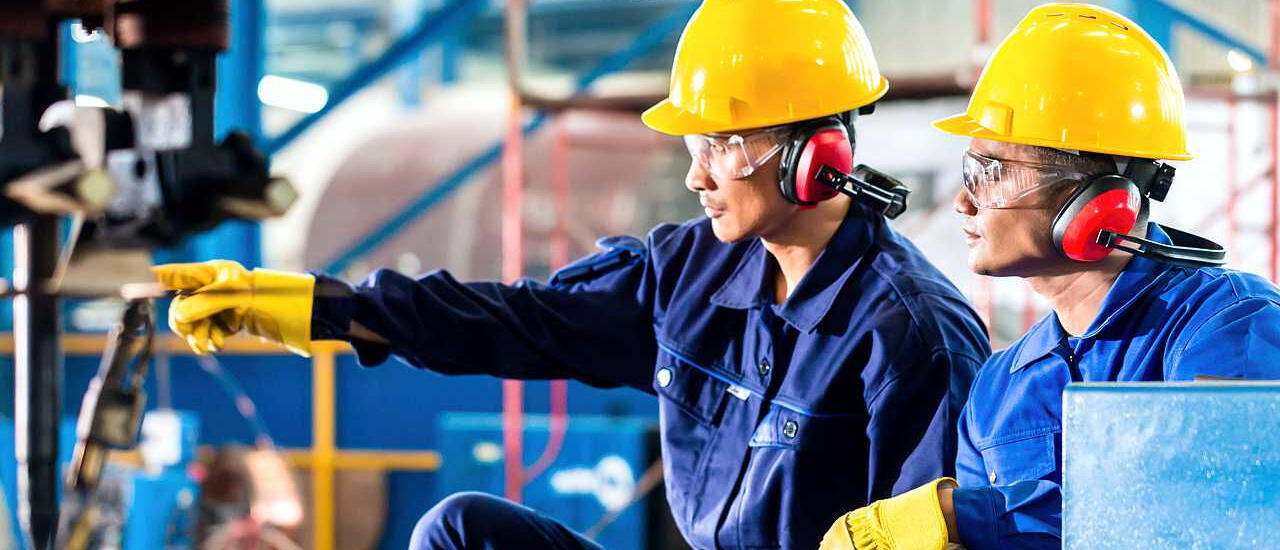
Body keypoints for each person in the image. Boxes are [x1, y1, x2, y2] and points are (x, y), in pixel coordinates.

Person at [153, 1, 990, 548]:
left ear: (820, 157)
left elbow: (938, 527)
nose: (699, 176)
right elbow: (518, 321)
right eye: (693, 146)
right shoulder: (688, 272)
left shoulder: (908, 332)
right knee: (460, 532)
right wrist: (325, 312)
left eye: (723, 145)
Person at [818, 4, 1280, 550]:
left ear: (1099, 203)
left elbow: (1213, 514)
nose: (964, 202)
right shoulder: (999, 388)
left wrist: (966, 513)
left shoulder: (1228, 329)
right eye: (969, 170)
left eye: (992, 173)